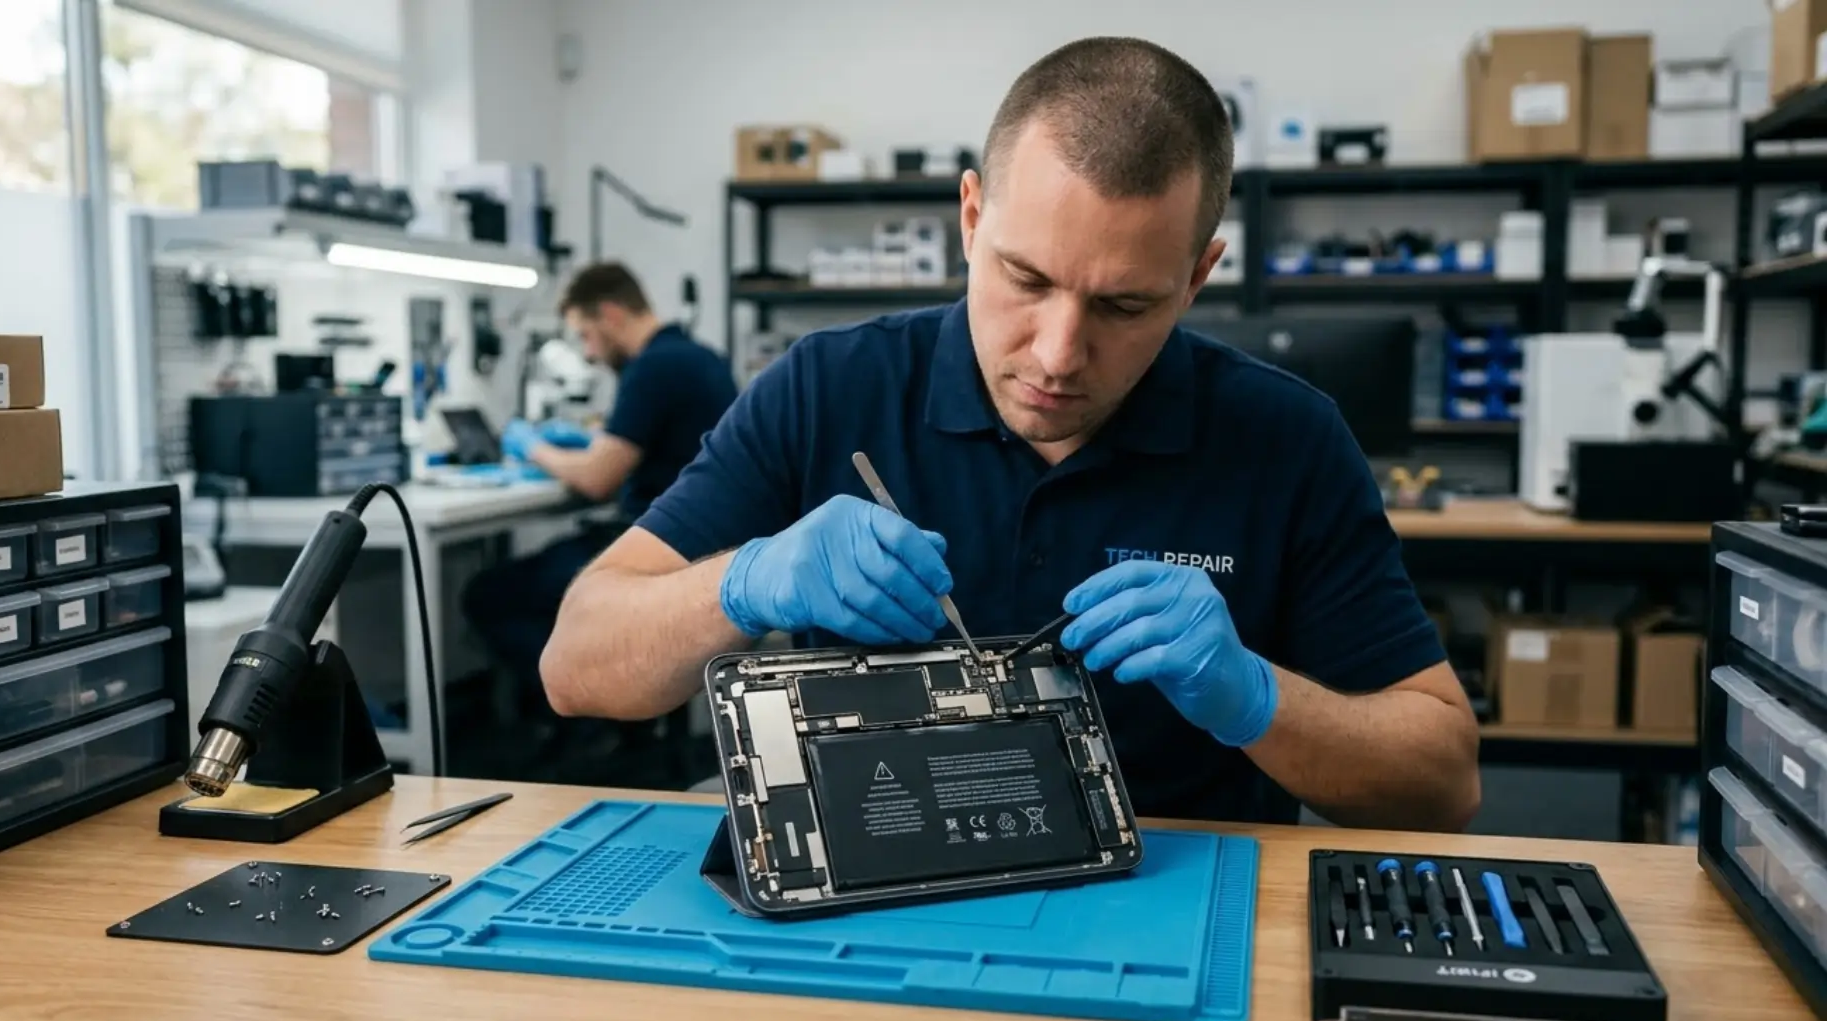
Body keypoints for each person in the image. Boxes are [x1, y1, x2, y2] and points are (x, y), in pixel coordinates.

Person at [540, 38, 1479, 829]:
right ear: (971, 217)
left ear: (1197, 278)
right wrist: (745, 581)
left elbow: (1443, 783)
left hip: (1173, 910)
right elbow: (576, 667)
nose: (1059, 354)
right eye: (1026, 279)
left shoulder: (1286, 440)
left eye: (1124, 303)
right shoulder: (827, 389)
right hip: (871, 891)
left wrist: (1256, 697)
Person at [462, 262, 737, 763]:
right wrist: (586, 444)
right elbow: (639, 448)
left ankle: (591, 715)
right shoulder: (696, 357)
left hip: (663, 552)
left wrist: (530, 446)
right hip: (703, 551)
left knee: (488, 594)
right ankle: (615, 723)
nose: (588, 353)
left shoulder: (653, 368)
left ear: (610, 314)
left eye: (586, 336)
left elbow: (597, 478)